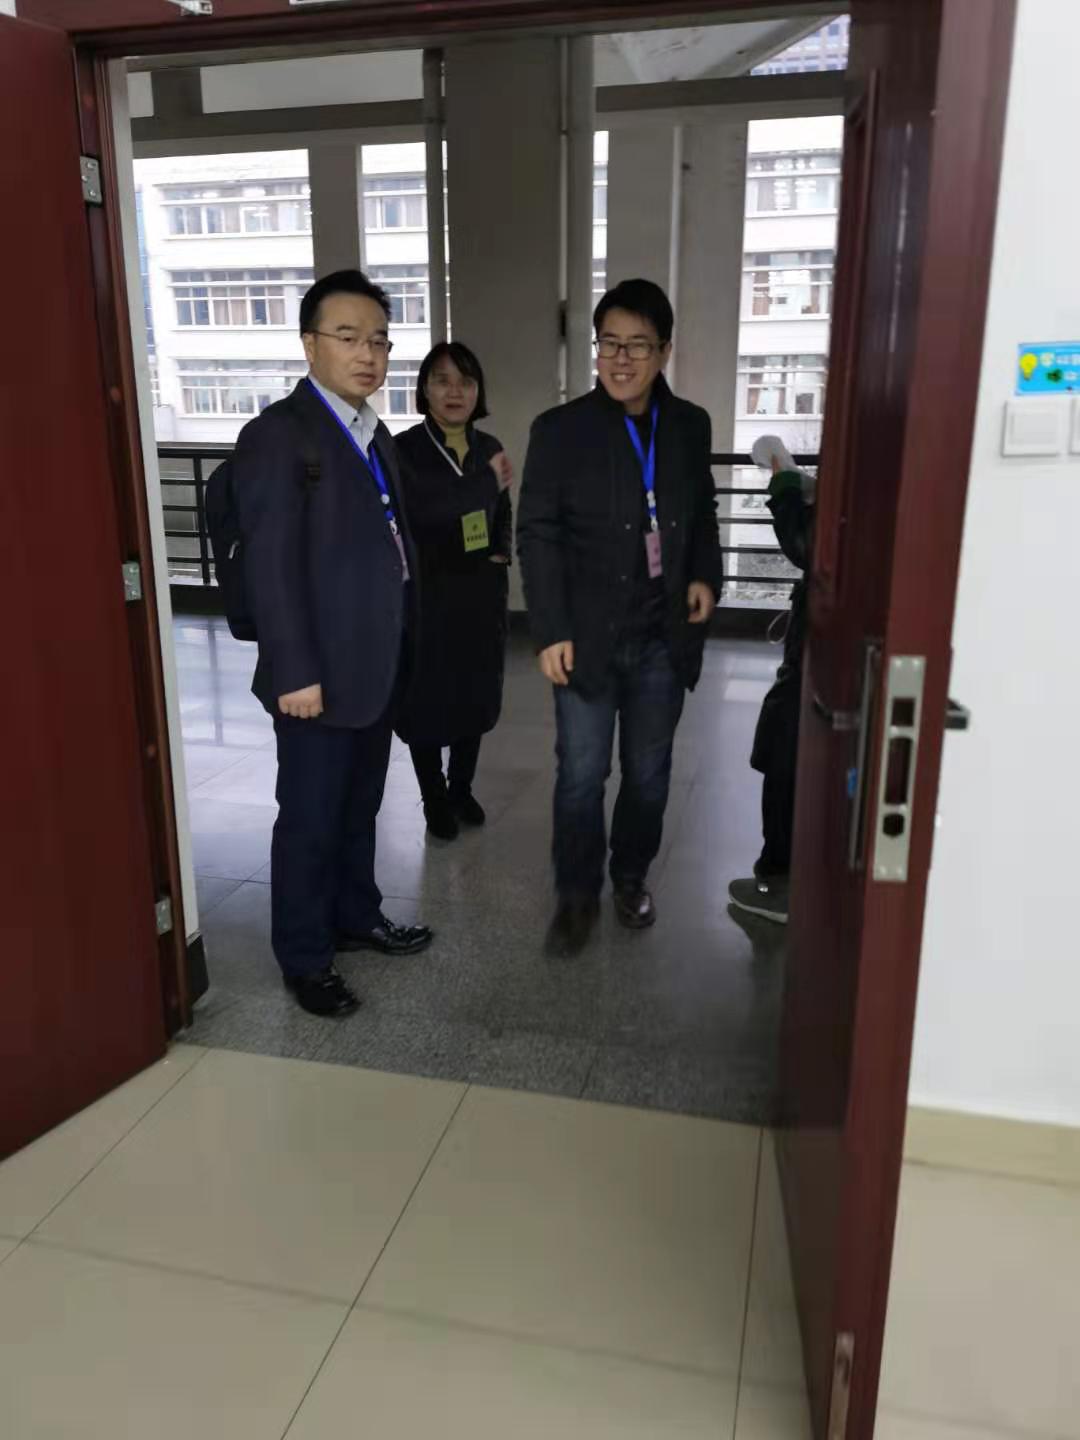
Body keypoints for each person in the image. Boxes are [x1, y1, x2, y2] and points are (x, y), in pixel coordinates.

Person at [231, 269, 434, 1018]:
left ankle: (356, 915)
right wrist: (294, 670)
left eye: (380, 339)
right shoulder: (278, 436)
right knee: (310, 818)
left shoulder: (373, 433)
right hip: (313, 674)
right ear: (309, 343)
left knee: (359, 805)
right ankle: (305, 956)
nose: (368, 354)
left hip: (373, 664)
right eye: (348, 337)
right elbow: (271, 565)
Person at [518, 277, 722, 956]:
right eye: (609, 344)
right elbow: (537, 533)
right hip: (585, 637)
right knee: (581, 776)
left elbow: (703, 512)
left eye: (638, 345)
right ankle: (576, 896)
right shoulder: (559, 431)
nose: (621, 359)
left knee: (649, 774)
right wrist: (549, 628)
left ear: (664, 352)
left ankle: (630, 877)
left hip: (663, 636)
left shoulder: (689, 426)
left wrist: (704, 574)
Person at [394, 343, 513, 840]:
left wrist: (501, 551)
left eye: (466, 381)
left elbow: (502, 510)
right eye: (442, 380)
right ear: (424, 389)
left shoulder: (489, 447)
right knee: (426, 697)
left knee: (473, 693)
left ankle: (461, 788)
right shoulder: (404, 451)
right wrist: (484, 485)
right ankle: (434, 796)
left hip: (480, 593)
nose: (455, 391)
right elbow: (428, 510)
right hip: (429, 594)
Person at [728, 435, 816, 925]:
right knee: (783, 746)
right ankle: (783, 873)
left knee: (783, 749)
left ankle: (780, 882)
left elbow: (807, 545)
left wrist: (784, 484)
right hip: (820, 637)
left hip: (822, 645)